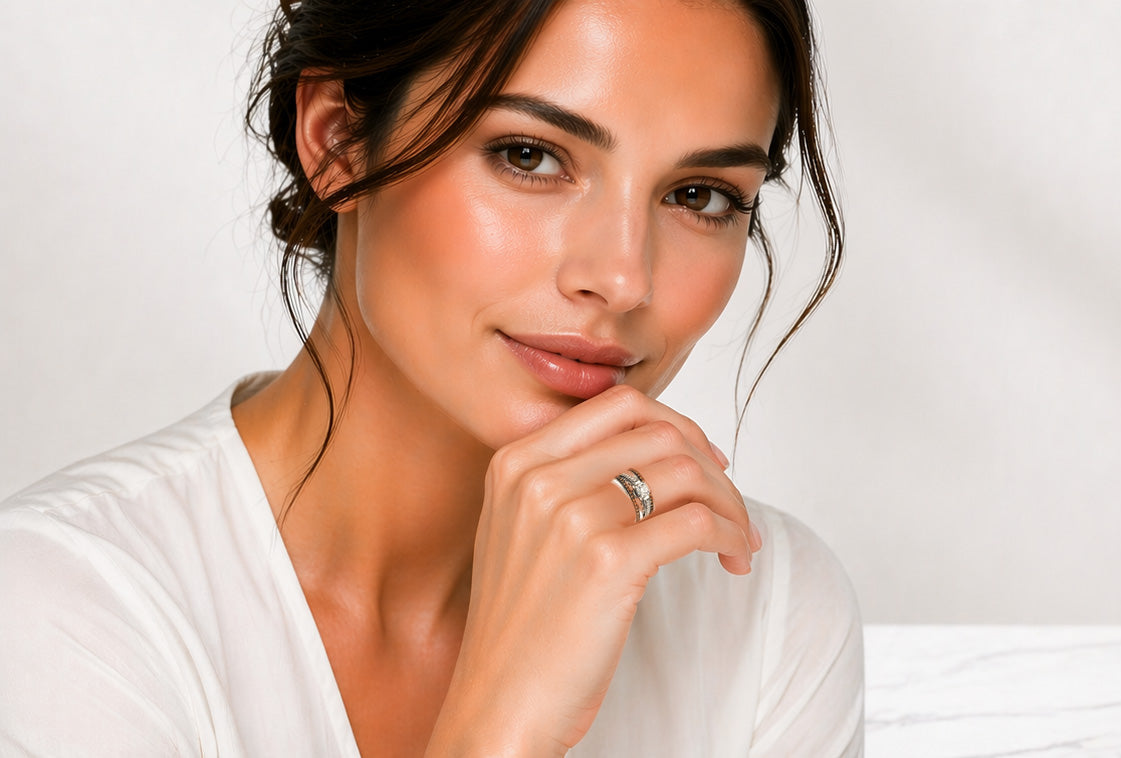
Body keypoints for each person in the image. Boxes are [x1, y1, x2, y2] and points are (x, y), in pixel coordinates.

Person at [0, 0, 861, 755]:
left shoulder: (760, 606)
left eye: (700, 196)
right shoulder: (62, 612)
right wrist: (503, 727)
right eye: (529, 155)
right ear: (336, 141)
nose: (623, 278)